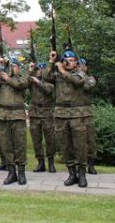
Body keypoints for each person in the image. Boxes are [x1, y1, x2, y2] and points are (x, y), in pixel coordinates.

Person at [44, 50, 90, 188]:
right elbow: (46, 77)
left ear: (76, 61)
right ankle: (72, 174)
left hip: (77, 114)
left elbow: (78, 81)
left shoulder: (80, 73)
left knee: (80, 145)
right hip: (61, 114)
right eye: (67, 60)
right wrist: (52, 62)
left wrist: (63, 71)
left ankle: (82, 175)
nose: (69, 62)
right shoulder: (57, 73)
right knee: (65, 145)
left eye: (72, 60)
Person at [0, 58, 28, 185]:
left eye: (14, 66)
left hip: (17, 115)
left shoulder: (21, 78)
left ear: (18, 68)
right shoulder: (0, 78)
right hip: (3, 116)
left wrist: (7, 78)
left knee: (20, 145)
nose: (12, 68)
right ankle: (11, 172)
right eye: (10, 66)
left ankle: (21, 173)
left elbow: (20, 85)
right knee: (6, 145)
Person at [27, 62, 56, 173]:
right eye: (37, 69)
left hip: (46, 112)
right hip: (34, 112)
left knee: (50, 139)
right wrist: (30, 70)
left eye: (41, 69)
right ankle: (41, 163)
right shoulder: (32, 81)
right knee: (36, 139)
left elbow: (48, 90)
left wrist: (38, 81)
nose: (39, 71)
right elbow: (24, 82)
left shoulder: (50, 82)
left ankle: (51, 163)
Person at [78, 58, 97, 175]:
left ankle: (91, 165)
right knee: (77, 141)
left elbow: (87, 87)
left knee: (90, 140)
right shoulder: (73, 78)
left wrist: (81, 76)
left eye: (82, 65)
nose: (79, 66)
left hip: (86, 113)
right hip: (74, 113)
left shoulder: (91, 78)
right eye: (78, 64)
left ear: (86, 68)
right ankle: (79, 165)